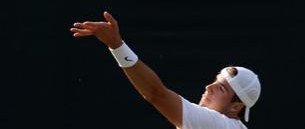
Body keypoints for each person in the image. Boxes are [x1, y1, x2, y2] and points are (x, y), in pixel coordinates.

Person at [70, 11, 262, 129]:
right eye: (215, 80)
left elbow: (156, 94)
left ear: (236, 107)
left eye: (221, 88)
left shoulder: (217, 125)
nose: (208, 87)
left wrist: (116, 45)